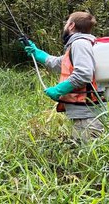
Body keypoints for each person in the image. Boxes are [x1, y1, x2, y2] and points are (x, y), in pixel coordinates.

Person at [24, 11, 104, 142]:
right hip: (84, 113)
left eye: (66, 23)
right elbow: (58, 63)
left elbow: (83, 74)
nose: (65, 26)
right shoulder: (80, 44)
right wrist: (36, 52)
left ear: (71, 25)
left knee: (86, 156)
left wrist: (58, 90)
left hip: (87, 114)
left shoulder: (80, 44)